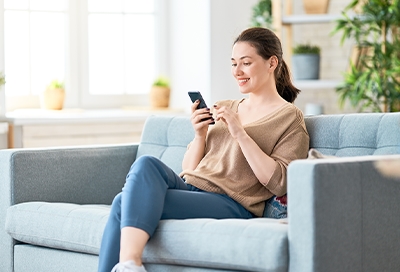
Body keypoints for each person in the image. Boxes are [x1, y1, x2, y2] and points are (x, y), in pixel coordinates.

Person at [98, 27, 310, 272]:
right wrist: (200, 135)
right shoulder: (227, 106)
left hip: (232, 203)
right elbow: (189, 169)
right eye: (233, 64)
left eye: (246, 63)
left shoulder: (290, 119)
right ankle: (130, 264)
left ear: (272, 63)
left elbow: (279, 183)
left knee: (122, 202)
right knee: (146, 164)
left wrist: (240, 132)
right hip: (191, 187)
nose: (237, 72)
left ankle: (130, 264)